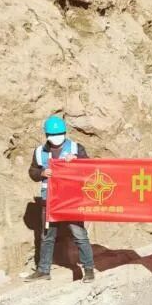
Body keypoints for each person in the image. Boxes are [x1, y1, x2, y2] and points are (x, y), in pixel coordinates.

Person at [25, 115, 95, 283]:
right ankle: (43, 270)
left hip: (72, 199)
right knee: (47, 236)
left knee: (79, 235)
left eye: (59, 134)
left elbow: (89, 168)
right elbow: (33, 171)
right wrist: (42, 173)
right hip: (50, 200)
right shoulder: (39, 152)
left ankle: (88, 269)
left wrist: (77, 161)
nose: (56, 137)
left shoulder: (76, 148)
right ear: (46, 135)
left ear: (64, 133)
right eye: (53, 134)